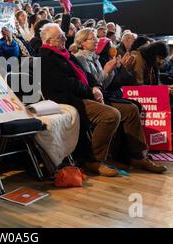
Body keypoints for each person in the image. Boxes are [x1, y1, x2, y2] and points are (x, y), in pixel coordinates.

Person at [74, 30, 166, 173]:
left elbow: (105, 84)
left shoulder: (94, 58)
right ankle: (100, 159)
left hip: (103, 95)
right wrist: (107, 71)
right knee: (120, 111)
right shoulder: (80, 59)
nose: (96, 40)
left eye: (96, 38)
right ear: (82, 42)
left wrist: (112, 71)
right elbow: (92, 85)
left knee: (132, 109)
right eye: (92, 39)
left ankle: (138, 156)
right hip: (92, 99)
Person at [40, 24, 121, 177]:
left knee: (130, 110)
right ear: (48, 41)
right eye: (60, 37)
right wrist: (91, 91)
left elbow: (86, 75)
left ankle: (137, 155)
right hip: (67, 99)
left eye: (63, 35)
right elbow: (65, 83)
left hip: (83, 94)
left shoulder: (66, 54)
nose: (65, 38)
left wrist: (96, 86)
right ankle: (93, 160)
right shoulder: (45, 58)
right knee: (111, 115)